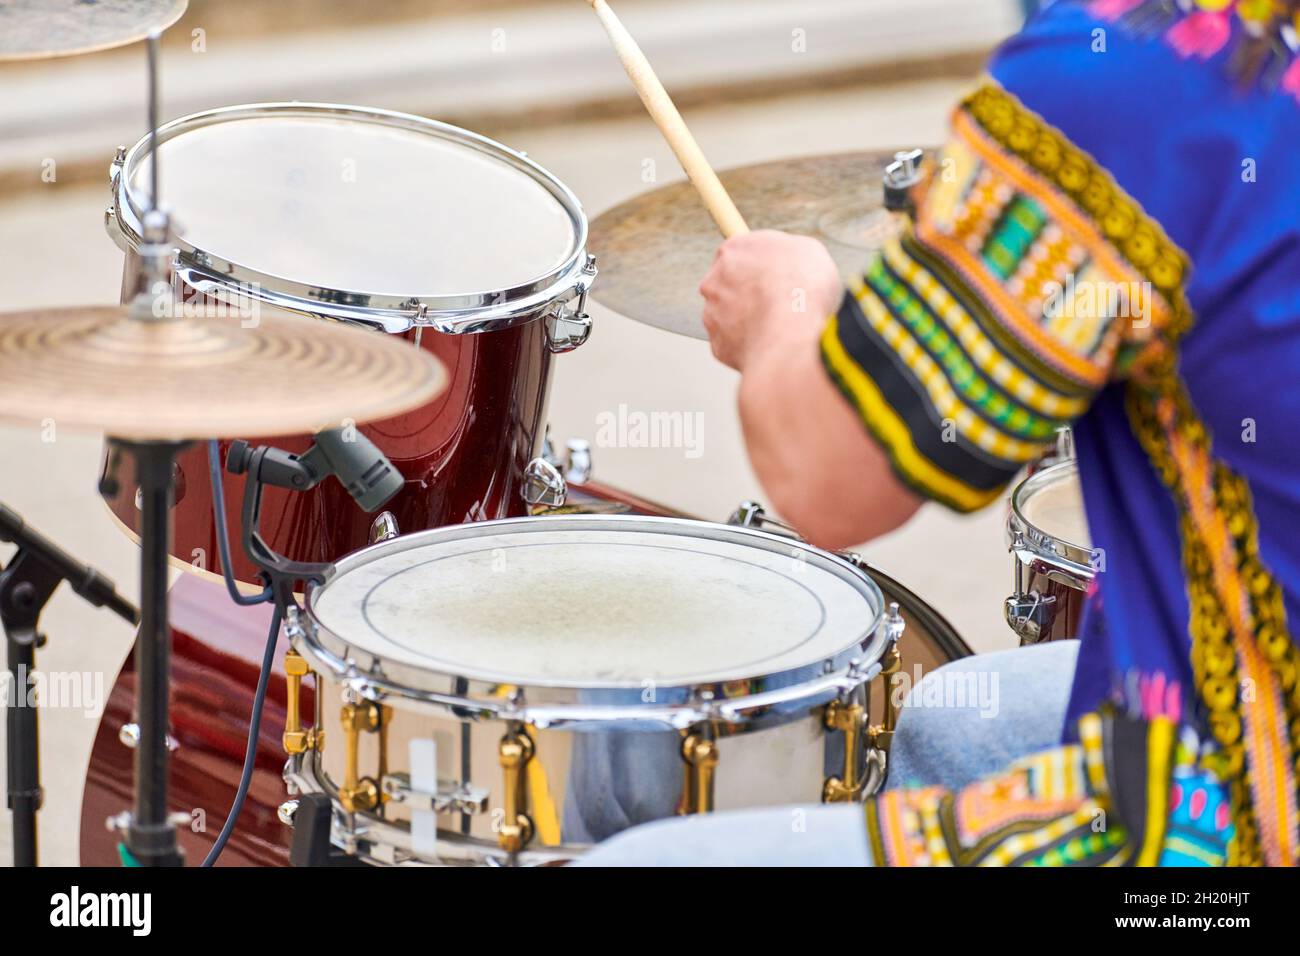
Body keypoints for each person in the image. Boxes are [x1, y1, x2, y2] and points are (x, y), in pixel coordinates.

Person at [579, 0, 1300, 866]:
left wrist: (784, 310)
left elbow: (829, 477)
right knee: (956, 719)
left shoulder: (1134, 82)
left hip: (1236, 822)